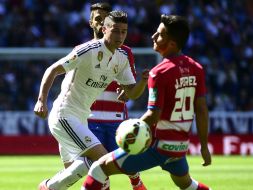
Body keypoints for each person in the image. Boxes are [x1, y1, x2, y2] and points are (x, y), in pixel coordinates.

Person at [82, 14, 212, 190]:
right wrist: (204, 146)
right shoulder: (196, 68)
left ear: (171, 44)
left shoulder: (159, 72)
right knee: (187, 184)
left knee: (99, 169)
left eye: (159, 34)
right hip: (179, 147)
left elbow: (153, 115)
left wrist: (131, 130)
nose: (153, 36)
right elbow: (202, 110)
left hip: (157, 147)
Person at [34, 10, 148, 190]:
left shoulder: (121, 58)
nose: (120, 36)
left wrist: (143, 81)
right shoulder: (88, 50)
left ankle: (49, 187)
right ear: (104, 29)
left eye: (124, 31)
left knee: (85, 165)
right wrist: (41, 100)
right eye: (115, 30)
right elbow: (53, 69)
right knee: (102, 161)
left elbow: (132, 93)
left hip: (81, 119)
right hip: (64, 115)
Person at [88, 3, 146, 190]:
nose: (101, 23)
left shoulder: (125, 52)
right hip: (90, 119)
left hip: (116, 119)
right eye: (98, 19)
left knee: (126, 163)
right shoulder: (83, 50)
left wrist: (129, 91)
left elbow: (130, 88)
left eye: (105, 19)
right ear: (92, 22)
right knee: (97, 168)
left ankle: (135, 180)